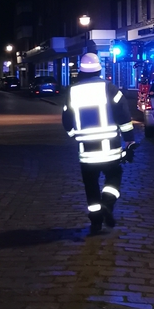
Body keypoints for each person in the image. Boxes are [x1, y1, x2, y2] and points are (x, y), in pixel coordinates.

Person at [62, 52, 136, 235]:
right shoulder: (109, 88)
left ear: (81, 71)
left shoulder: (72, 91)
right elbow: (123, 116)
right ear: (99, 69)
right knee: (114, 176)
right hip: (110, 148)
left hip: (86, 151)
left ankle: (95, 222)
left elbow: (66, 120)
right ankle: (107, 204)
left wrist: (76, 135)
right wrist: (129, 140)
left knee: (90, 185)